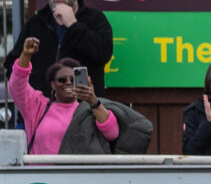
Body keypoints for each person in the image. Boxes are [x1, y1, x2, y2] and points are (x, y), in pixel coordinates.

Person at [8, 39, 152, 155]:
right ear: (52, 84)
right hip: (43, 182)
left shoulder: (89, 110)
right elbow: (16, 86)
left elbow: (112, 133)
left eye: (73, 79)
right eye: (62, 80)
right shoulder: (38, 107)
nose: (68, 83)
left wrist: (93, 101)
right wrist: (25, 56)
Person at [4, 0, 114, 98]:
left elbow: (104, 53)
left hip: (82, 109)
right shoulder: (36, 23)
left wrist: (73, 25)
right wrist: (32, 92)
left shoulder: (95, 19)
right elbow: (12, 64)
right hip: (42, 109)